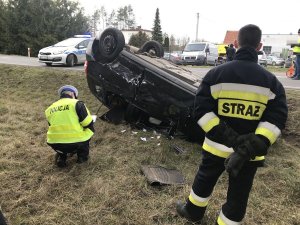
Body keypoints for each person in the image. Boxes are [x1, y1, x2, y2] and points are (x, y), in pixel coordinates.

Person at [176, 24, 288, 224]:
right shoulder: (272, 82)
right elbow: (276, 119)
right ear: (259, 46)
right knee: (239, 194)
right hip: (249, 154)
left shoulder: (215, 74)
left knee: (205, 178)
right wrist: (247, 146)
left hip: (216, 147)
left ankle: (193, 212)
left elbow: (201, 111)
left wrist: (230, 138)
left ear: (235, 44)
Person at [45, 85, 94, 167]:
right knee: (90, 129)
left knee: (61, 140)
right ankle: (82, 157)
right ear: (72, 94)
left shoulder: (49, 109)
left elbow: (52, 125)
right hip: (76, 142)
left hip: (54, 143)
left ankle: (62, 157)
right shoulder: (77, 104)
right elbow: (87, 123)